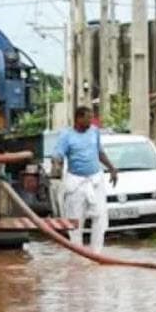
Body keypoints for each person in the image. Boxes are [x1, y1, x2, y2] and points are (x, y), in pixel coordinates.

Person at [52, 106, 119, 252]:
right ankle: (78, 254)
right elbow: (58, 154)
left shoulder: (94, 132)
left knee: (100, 217)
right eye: (88, 117)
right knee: (75, 220)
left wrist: (112, 168)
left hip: (95, 180)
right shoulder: (66, 135)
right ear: (79, 118)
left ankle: (97, 252)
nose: (91, 120)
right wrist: (56, 165)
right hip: (76, 182)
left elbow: (100, 152)